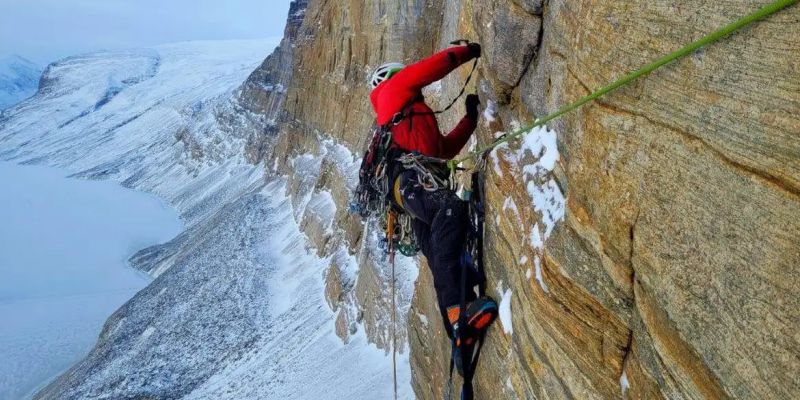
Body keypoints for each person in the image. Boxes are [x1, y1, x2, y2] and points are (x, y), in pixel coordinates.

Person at [368, 43, 498, 375]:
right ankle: (458, 312)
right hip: (410, 180)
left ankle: (458, 328)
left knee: (442, 245)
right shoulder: (393, 91)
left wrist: (470, 119)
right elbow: (429, 69)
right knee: (450, 210)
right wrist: (466, 51)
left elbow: (444, 149)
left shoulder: (409, 119)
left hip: (411, 189)